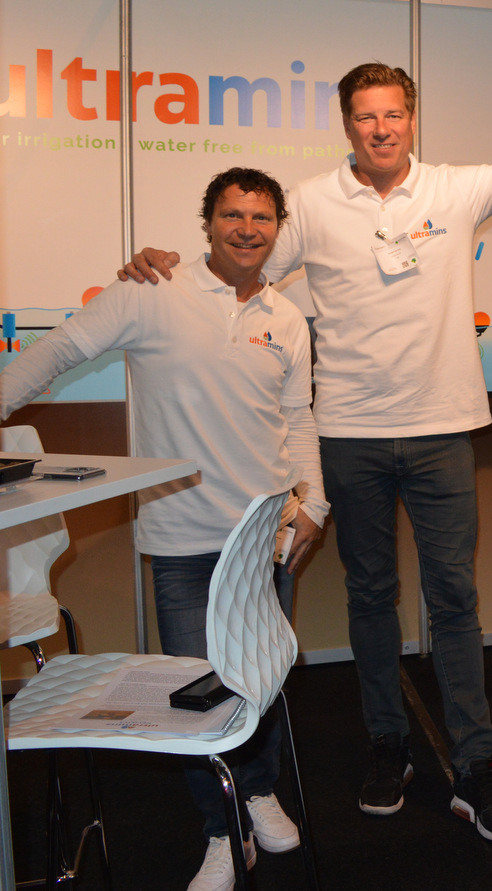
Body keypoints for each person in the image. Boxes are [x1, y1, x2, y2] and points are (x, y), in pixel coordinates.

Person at [121, 17, 492, 841]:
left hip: (442, 430)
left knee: (454, 598)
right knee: (369, 597)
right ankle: (387, 744)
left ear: (412, 119)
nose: (381, 128)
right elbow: (235, 263)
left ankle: (475, 765)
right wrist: (158, 268)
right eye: (365, 116)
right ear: (347, 124)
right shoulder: (311, 206)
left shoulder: (455, 191)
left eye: (393, 114)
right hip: (348, 433)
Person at [4, 167, 329, 891]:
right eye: (232, 214)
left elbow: (298, 417)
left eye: (262, 217)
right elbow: (58, 350)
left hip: (263, 538)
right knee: (195, 696)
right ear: (207, 222)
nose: (247, 228)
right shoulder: (150, 291)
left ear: (278, 229)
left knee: (260, 680)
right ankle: (220, 830)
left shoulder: (287, 318)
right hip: (181, 538)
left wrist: (315, 504)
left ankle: (258, 792)